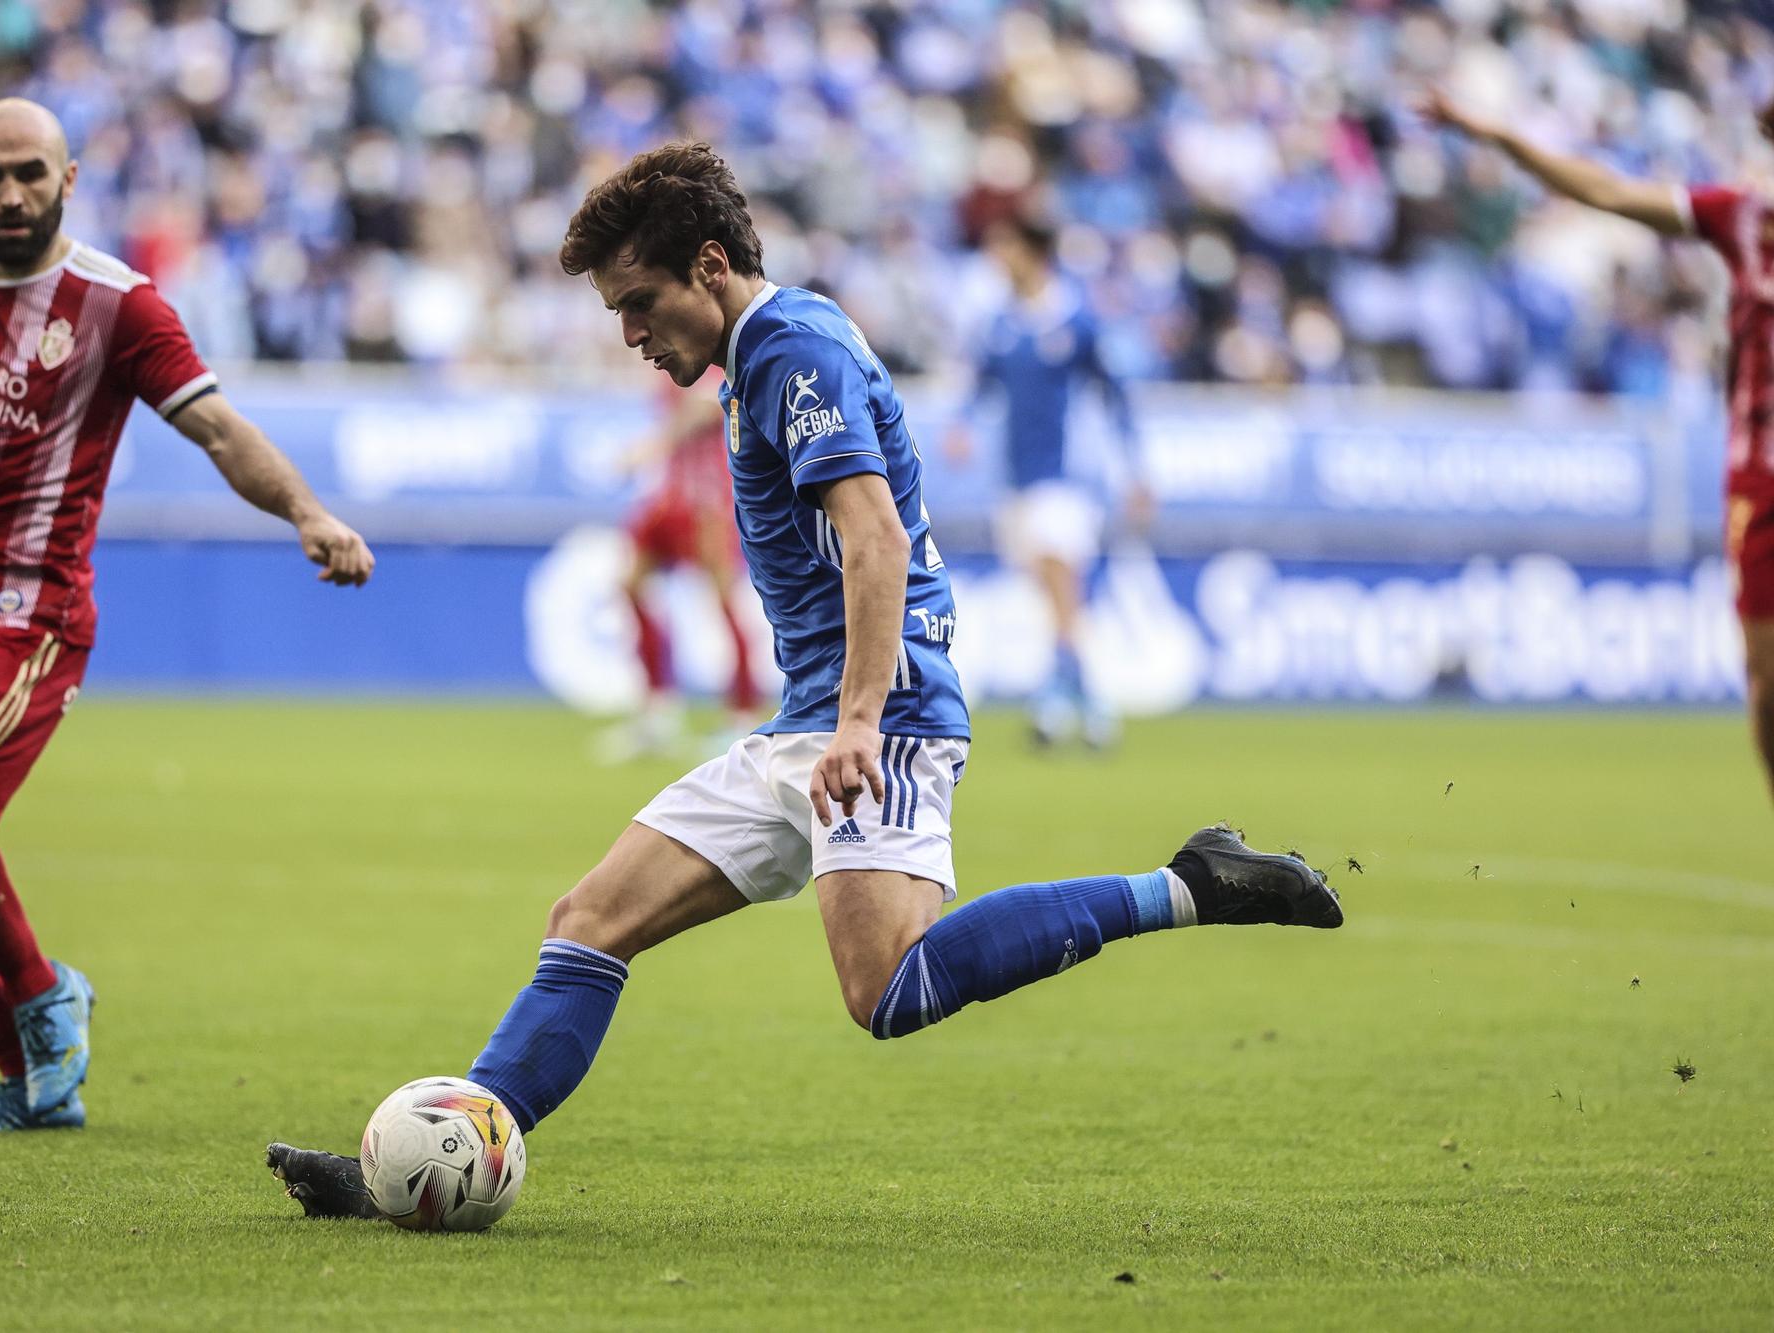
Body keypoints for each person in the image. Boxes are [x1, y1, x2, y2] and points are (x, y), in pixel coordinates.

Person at [266, 142, 1341, 1219]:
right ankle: (446, 1151)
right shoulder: (757, 354)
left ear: (710, 262)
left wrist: (862, 720)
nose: (631, 334)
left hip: (884, 718)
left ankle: (1190, 883)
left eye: (639, 304)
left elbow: (872, 535)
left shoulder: (792, 349)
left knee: (888, 988)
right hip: (806, 725)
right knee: (590, 918)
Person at [0, 2, 376, 1133]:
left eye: (30, 175)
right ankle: (32, 1076)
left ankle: (47, 992)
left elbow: (217, 428)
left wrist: (306, 510)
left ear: (71, 177)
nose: (9, 196)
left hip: (28, 619)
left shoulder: (117, 305)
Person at [1421, 88, 1774, 806]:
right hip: (1759, 478)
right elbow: (1606, 190)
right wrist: (1500, 134)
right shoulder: (1743, 216)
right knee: (1766, 679)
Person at [950, 215, 1150, 748]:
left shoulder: (1077, 322)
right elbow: (981, 385)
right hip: (1016, 481)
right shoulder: (1001, 324)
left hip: (1067, 479)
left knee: (1060, 581)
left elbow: (1117, 396)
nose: (997, 258)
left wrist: (1135, 469)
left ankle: (1060, 705)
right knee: (1054, 595)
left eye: (1006, 246)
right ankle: (1086, 699)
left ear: (1031, 252)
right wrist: (963, 427)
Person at [601, 367, 758, 761]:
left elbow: (706, 408)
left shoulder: (716, 361)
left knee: (724, 603)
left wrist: (649, 447)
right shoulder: (667, 363)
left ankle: (742, 719)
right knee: (629, 584)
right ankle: (658, 714)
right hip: (670, 498)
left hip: (710, 502)